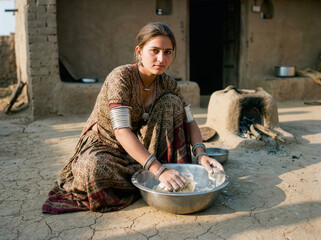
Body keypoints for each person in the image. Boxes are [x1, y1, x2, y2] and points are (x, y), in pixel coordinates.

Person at [42, 22, 224, 214]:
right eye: (154, 50)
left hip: (142, 145)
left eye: (168, 52)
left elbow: (190, 121)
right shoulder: (121, 78)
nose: (161, 58)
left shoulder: (167, 82)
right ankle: (156, 176)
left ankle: (158, 175)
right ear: (139, 51)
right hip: (106, 146)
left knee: (172, 103)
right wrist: (159, 170)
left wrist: (201, 154)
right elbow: (121, 131)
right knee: (91, 169)